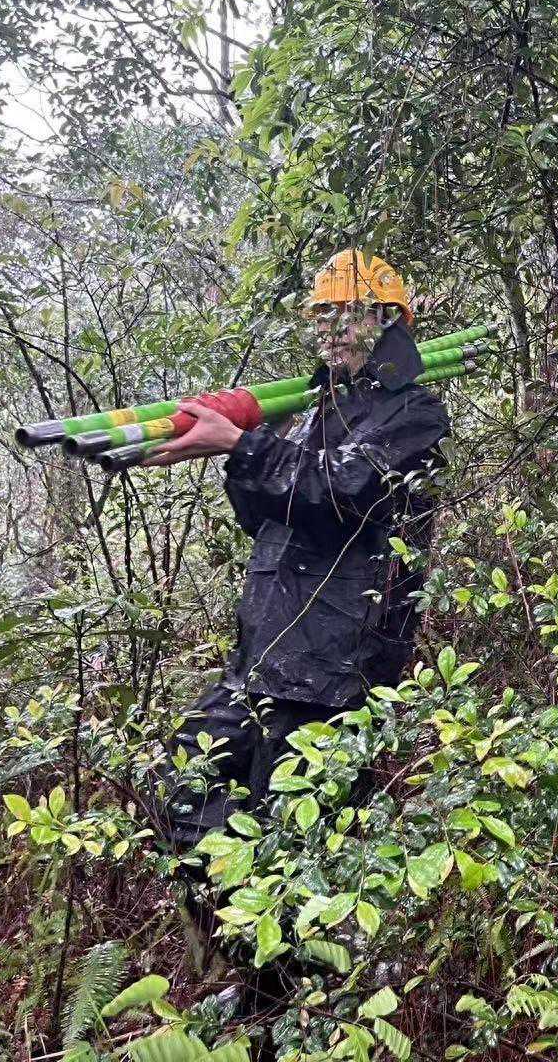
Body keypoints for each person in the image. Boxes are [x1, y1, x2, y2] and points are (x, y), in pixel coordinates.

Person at [151, 250, 450, 849]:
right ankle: (224, 933)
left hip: (333, 674)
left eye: (351, 311)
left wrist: (241, 444)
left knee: (294, 841)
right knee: (180, 784)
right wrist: (237, 449)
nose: (333, 326)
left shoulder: (415, 414)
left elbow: (342, 489)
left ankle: (293, 940)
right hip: (264, 663)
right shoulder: (314, 410)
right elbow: (266, 516)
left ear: (388, 321)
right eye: (323, 313)